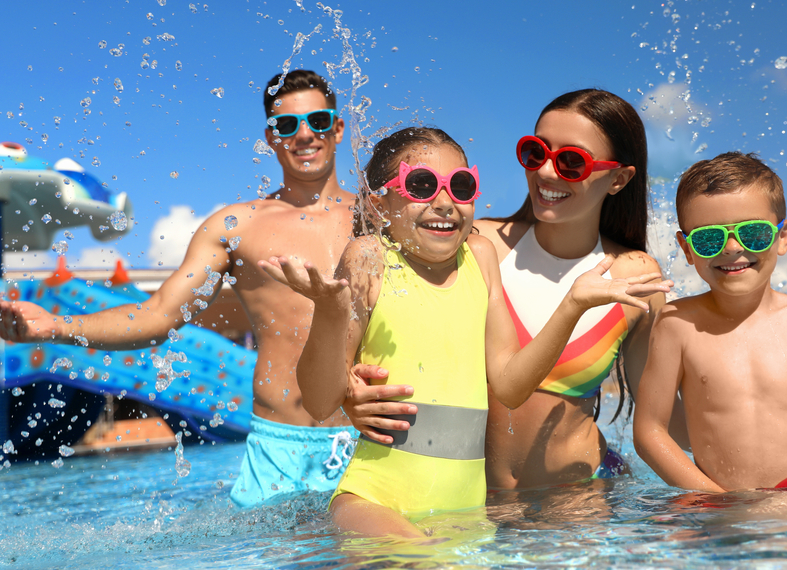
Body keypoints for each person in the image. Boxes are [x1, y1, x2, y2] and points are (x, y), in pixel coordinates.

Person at [259, 126, 672, 537]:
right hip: (374, 499)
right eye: (420, 186)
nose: (444, 203)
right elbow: (318, 401)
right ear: (377, 203)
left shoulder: (479, 255)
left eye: (460, 186)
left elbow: (510, 385)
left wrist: (572, 306)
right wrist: (331, 312)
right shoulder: (370, 257)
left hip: (468, 517)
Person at [0, 69, 359, 508]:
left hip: (368, 439)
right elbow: (158, 314)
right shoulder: (236, 226)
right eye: (286, 125)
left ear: (337, 127)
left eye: (317, 122)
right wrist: (53, 325)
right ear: (270, 137)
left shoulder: (376, 219)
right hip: (281, 449)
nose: (303, 135)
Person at [344, 89, 688, 490]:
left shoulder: (637, 277)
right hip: (474, 500)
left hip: (581, 500)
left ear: (618, 179)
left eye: (571, 162)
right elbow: (382, 317)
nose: (545, 172)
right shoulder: (475, 245)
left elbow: (659, 421)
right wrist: (347, 394)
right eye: (535, 152)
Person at [633, 151, 787, 492]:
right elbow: (650, 430)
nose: (733, 248)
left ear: (782, 236)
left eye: (753, 234)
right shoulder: (677, 325)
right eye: (709, 239)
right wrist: (709, 495)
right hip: (721, 513)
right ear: (687, 248)